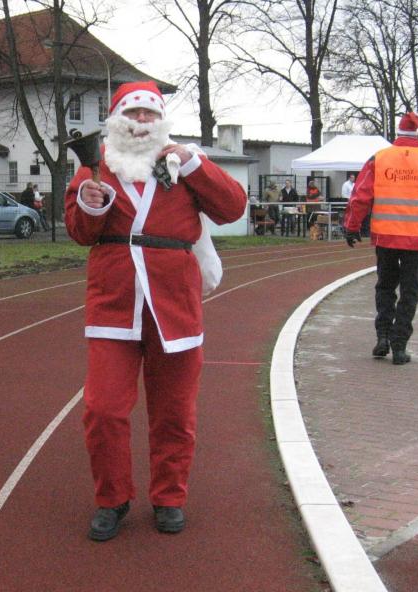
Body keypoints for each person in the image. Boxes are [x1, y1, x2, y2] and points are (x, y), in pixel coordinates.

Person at [64, 80, 246, 541]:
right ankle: (112, 498)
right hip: (113, 304)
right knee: (103, 409)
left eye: (150, 113)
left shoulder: (185, 163)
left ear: (162, 120)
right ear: (117, 119)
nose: (142, 121)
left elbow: (232, 208)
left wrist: (195, 165)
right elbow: (80, 232)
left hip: (175, 307)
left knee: (174, 413)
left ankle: (169, 497)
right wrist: (89, 207)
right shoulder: (95, 165)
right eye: (133, 113)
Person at [343, 112, 418, 365]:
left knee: (385, 287)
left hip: (385, 237)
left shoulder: (379, 158)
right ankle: (399, 345)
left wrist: (352, 226)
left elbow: (360, 196)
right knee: (410, 291)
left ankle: (383, 336)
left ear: (398, 132)